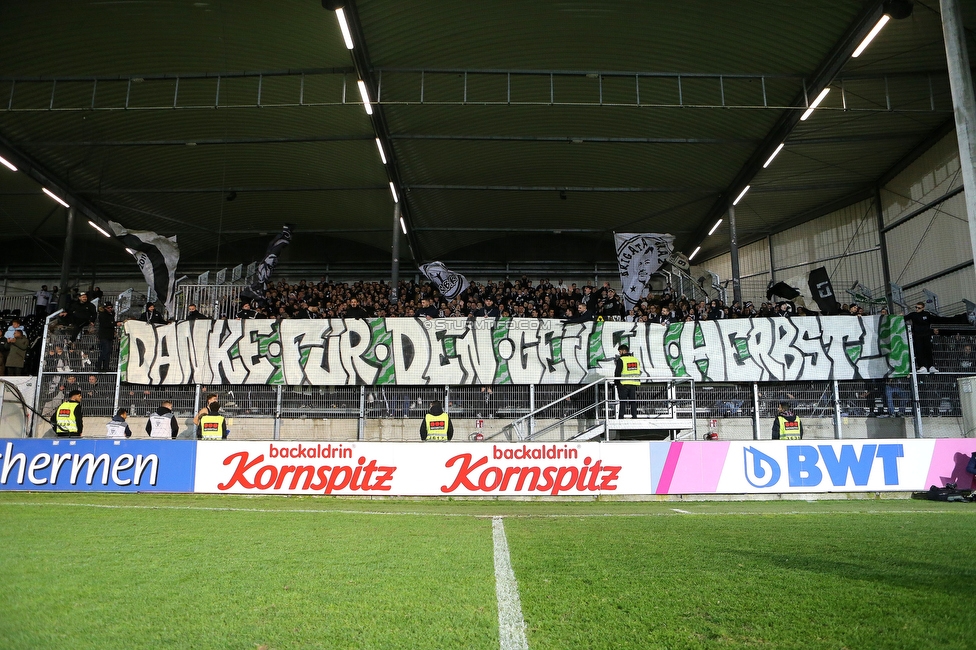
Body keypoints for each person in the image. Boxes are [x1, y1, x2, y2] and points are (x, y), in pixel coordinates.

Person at [905, 302, 938, 373]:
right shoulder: (913, 314)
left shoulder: (927, 314)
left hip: (926, 335)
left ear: (923, 308)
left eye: (919, 308)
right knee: (919, 351)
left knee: (928, 351)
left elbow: (931, 322)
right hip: (917, 336)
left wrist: (934, 329)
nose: (917, 309)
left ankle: (931, 366)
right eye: (916, 307)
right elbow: (905, 318)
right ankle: (922, 366)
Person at [614, 344, 641, 418]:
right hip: (633, 383)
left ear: (624, 351)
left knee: (622, 401)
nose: (619, 353)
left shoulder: (621, 360)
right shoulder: (635, 359)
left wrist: (616, 383)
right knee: (633, 401)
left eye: (620, 351)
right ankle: (634, 416)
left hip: (623, 383)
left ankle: (621, 417)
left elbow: (617, 372)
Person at [96, 303, 117, 372]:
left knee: (108, 352)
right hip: (104, 336)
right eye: (108, 308)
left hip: (109, 336)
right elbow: (106, 324)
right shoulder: (102, 315)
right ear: (105, 308)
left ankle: (106, 366)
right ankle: (98, 366)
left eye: (111, 307)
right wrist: (115, 324)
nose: (110, 309)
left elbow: (111, 323)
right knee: (105, 351)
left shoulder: (111, 314)